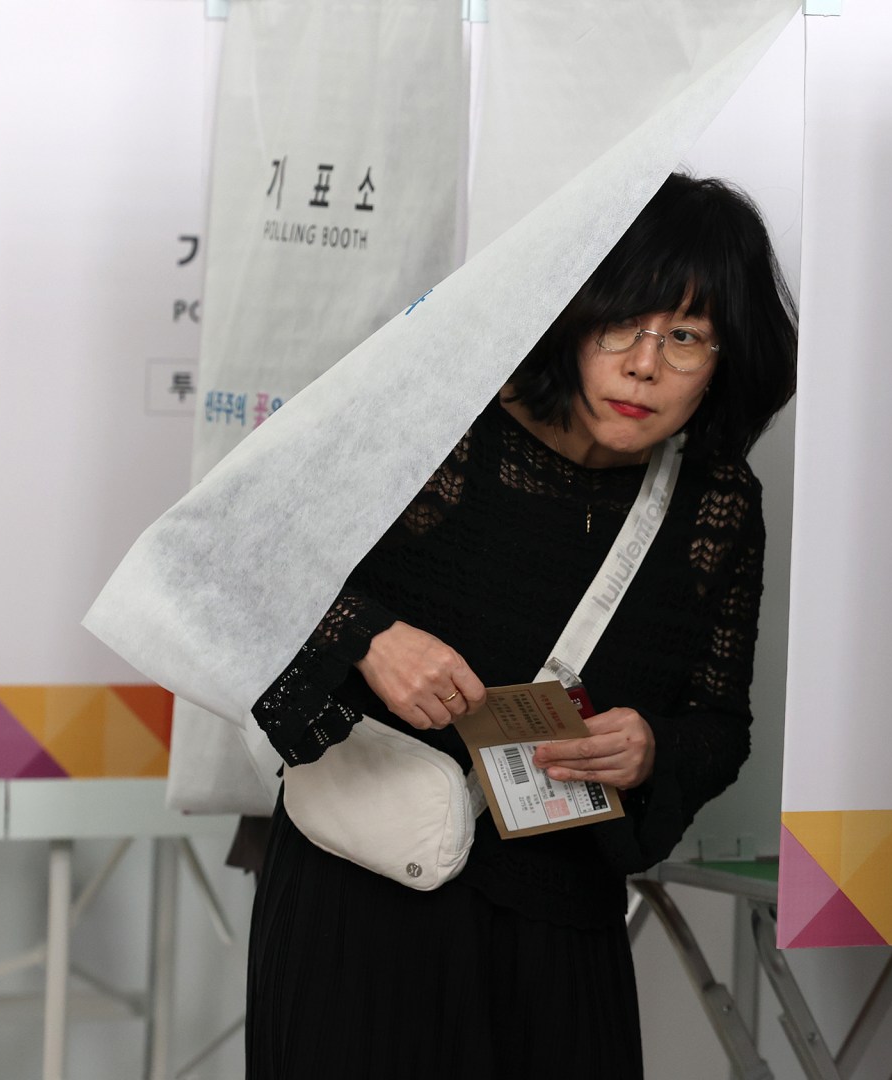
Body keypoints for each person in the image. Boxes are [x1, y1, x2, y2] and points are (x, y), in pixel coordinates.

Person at [243, 173, 797, 1078]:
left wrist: (650, 748)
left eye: (687, 337)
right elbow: (246, 559)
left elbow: (718, 725)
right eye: (623, 321)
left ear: (730, 357)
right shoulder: (442, 430)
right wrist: (371, 638)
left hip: (561, 919)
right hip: (365, 896)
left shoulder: (718, 506)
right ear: (572, 316)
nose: (644, 366)